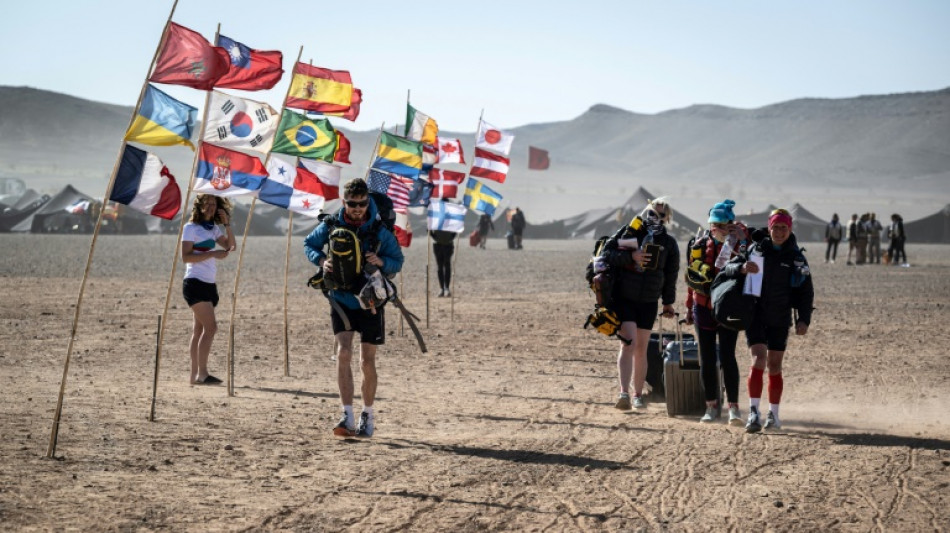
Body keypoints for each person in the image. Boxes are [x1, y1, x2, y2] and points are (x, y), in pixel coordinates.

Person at [304, 178, 404, 438]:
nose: (358, 208)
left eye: (362, 203)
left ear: (368, 201)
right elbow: (309, 244)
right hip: (340, 298)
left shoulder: (379, 229)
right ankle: (346, 415)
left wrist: (380, 260)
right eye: (352, 204)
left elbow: (397, 261)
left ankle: (367, 415)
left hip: (370, 302)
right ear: (344, 201)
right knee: (343, 353)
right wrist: (322, 259)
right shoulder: (331, 224)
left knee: (366, 362)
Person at [719, 209, 814, 433]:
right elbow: (727, 268)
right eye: (775, 227)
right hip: (756, 315)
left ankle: (774, 413)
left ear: (789, 229)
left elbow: (805, 291)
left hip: (780, 318)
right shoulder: (755, 249)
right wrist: (742, 268)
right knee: (759, 359)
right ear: (769, 228)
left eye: (784, 227)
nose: (779, 232)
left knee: (774, 365)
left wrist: (804, 319)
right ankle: (753, 412)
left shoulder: (796, 257)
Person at [598, 197, 679, 410]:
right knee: (628, 343)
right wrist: (631, 256)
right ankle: (623, 393)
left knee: (641, 348)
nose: (655, 218)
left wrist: (668, 303)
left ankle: (637, 394)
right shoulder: (630, 231)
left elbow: (671, 274)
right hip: (625, 297)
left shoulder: (669, 243)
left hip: (649, 300)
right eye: (652, 213)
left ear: (667, 219)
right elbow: (607, 253)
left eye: (661, 215)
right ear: (646, 211)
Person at [684, 200, 747, 425]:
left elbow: (753, 250)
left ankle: (733, 408)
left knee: (728, 357)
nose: (717, 230)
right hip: (702, 308)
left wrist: (741, 234)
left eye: (722, 225)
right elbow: (691, 278)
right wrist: (688, 306)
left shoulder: (740, 242)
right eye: (714, 225)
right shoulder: (698, 245)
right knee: (707, 359)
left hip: (729, 308)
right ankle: (710, 406)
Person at [181, 194, 235, 385]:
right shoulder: (190, 228)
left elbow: (231, 246)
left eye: (214, 203)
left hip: (209, 284)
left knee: (198, 330)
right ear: (199, 206)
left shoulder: (213, 229)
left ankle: (194, 376)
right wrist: (212, 253)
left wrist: (226, 224)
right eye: (207, 203)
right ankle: (203, 374)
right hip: (194, 283)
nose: (211, 207)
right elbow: (186, 257)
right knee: (211, 328)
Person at [430, 229, 456, 297]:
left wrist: (450, 238)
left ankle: (446, 288)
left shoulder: (449, 220)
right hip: (438, 244)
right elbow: (429, 230)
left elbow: (455, 229)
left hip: (448, 245)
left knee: (447, 265)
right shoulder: (436, 220)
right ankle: (442, 288)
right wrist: (435, 238)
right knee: (439, 267)